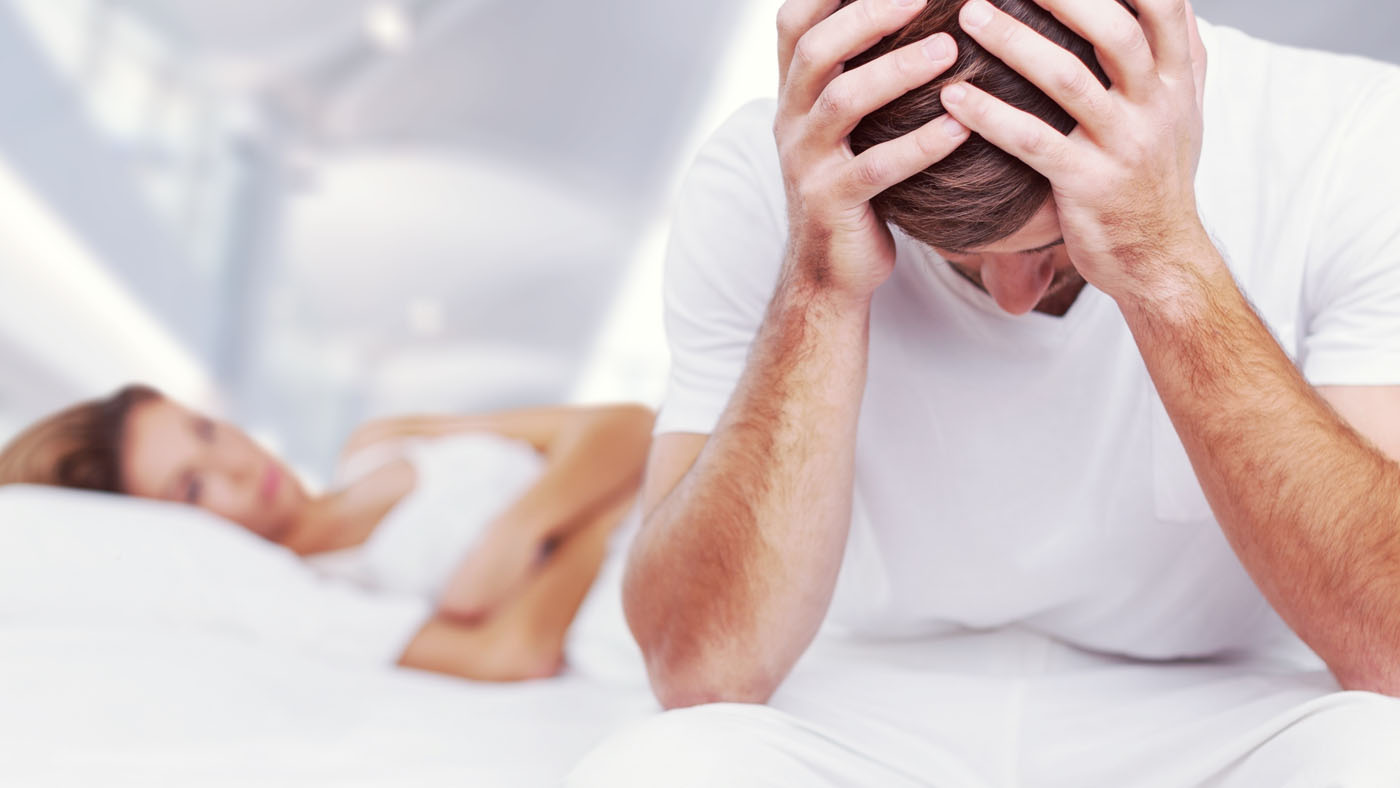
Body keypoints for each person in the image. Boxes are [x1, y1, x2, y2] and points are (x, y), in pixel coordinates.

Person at [569, 0, 1400, 785]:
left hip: (1231, 705)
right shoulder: (774, 173)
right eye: (959, 258)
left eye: (1059, 246)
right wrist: (819, 284)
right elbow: (698, 667)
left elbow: (1387, 651)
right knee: (653, 769)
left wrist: (1163, 261)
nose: (1011, 299)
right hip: (860, 702)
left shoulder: (1350, 139)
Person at [0, 384, 654, 682]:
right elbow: (510, 653)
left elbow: (625, 423)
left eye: (206, 429)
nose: (235, 462)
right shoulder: (316, 596)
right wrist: (599, 511)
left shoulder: (377, 443)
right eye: (192, 486)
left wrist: (525, 529)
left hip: (684, 481)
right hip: (654, 586)